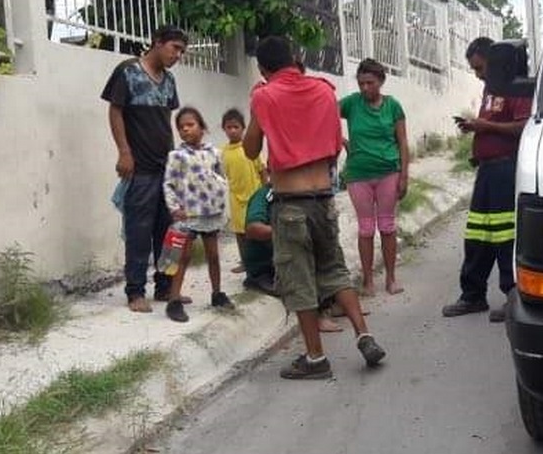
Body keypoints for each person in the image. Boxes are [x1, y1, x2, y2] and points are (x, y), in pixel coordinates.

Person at [244, 36, 387, 379]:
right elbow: (334, 146)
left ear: (263, 68)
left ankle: (314, 359)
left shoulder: (264, 95)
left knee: (299, 280)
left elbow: (250, 150)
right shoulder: (324, 90)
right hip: (324, 198)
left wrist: (258, 112)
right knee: (334, 269)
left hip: (290, 202)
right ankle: (364, 334)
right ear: (295, 60)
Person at [442, 38, 533, 323]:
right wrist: (476, 136)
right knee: (477, 235)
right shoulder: (491, 89)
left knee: (507, 236)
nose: (478, 74)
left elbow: (523, 126)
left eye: (479, 68)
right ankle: (472, 295)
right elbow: (491, 126)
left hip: (506, 171)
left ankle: (513, 296)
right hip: (487, 171)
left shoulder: (517, 87)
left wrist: (486, 126)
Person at [104, 26, 187, 313]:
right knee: (138, 233)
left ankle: (165, 287)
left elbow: (167, 123)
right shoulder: (128, 72)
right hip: (139, 170)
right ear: (157, 42)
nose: (178, 55)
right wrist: (124, 152)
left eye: (181, 51)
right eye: (174, 48)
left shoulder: (169, 80)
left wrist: (177, 165)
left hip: (166, 170)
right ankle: (135, 292)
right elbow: (115, 111)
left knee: (169, 232)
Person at [340, 58, 409, 296]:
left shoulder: (393, 106)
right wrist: (341, 141)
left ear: (380, 81)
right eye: (361, 84)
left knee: (387, 226)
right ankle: (368, 281)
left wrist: (404, 176)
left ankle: (391, 278)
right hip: (358, 174)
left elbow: (402, 141)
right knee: (366, 228)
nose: (365, 88)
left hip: (389, 172)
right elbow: (324, 113)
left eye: (369, 83)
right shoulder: (351, 104)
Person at [240, 176, 345, 333]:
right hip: (267, 267)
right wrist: (285, 232)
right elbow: (253, 228)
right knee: (302, 277)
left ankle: (334, 304)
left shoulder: (299, 194)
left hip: (285, 256)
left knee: (327, 256)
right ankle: (319, 316)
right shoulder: (264, 195)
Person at [162, 107, 235, 322]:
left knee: (213, 256)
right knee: (181, 257)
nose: (185, 130)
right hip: (188, 215)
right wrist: (175, 208)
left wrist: (221, 199)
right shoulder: (176, 156)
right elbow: (168, 183)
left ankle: (217, 293)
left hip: (211, 213)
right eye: (181, 127)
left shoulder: (214, 152)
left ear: (202, 127)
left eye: (190, 125)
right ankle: (173, 300)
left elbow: (221, 177)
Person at [220, 107, 265, 275]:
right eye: (229, 127)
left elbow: (262, 169)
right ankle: (245, 261)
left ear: (243, 128)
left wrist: (265, 189)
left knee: (256, 230)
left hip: (254, 196)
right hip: (235, 198)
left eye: (236, 127)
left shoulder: (249, 147)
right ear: (224, 129)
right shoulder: (223, 152)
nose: (232, 130)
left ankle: (261, 260)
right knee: (240, 233)